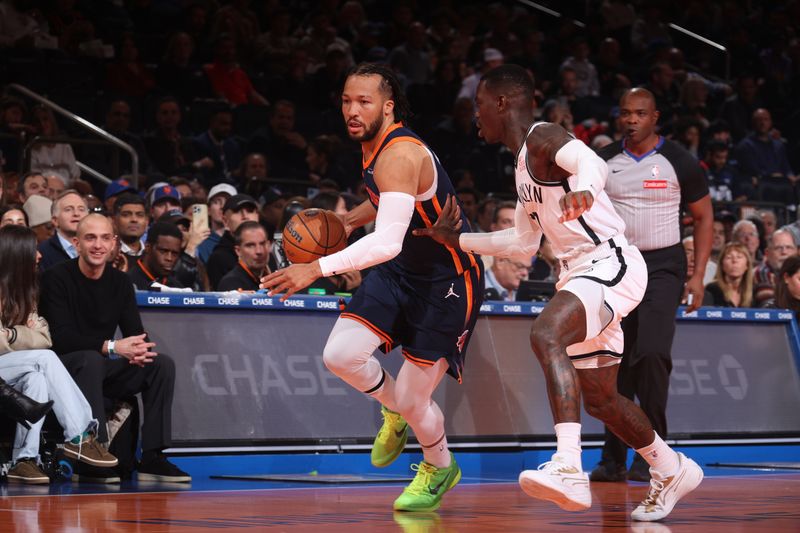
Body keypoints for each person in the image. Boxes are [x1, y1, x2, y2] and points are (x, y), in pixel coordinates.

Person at [415, 65, 702, 521]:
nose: (475, 115)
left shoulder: (543, 135)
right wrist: (459, 241)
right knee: (603, 400)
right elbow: (523, 243)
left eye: (480, 105)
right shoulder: (520, 167)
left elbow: (589, 163)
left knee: (547, 333)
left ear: (502, 102)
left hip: (611, 263)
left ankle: (569, 466)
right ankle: (670, 467)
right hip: (577, 274)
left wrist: (585, 190)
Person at [260, 63, 484, 512]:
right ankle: (395, 411)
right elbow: (386, 199)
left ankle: (440, 466)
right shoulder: (375, 146)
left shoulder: (400, 153)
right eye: (346, 100)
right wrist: (347, 219)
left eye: (363, 101)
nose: (352, 110)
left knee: (411, 394)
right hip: (403, 270)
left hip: (447, 282)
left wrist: (314, 268)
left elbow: (385, 241)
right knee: (340, 355)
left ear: (388, 106)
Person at [593, 87, 713, 484]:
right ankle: (612, 460)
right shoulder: (604, 160)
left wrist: (697, 276)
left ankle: (654, 451)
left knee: (652, 354)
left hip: (664, 266)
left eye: (640, 114)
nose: (631, 120)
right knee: (616, 362)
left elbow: (704, 217)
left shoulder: (680, 160)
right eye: (626, 113)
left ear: (655, 117)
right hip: (619, 266)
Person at [39, 214, 189, 483]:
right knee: (90, 359)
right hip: (64, 371)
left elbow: (135, 333)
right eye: (90, 238)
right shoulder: (55, 278)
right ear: (76, 243)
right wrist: (112, 346)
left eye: (105, 238)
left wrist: (140, 348)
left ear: (113, 244)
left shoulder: (120, 282)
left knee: (160, 365)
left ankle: (153, 457)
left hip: (100, 369)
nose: (98, 245)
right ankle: (91, 452)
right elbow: (59, 339)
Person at [0, 225, 118, 483]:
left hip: (12, 368)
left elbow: (44, 338)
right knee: (45, 360)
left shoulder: (25, 291)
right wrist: (19, 335)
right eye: (33, 251)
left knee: (38, 378)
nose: (39, 256)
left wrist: (10, 334)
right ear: (16, 254)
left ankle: (24, 459)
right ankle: (79, 436)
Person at [206, 193, 259, 289]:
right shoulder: (219, 258)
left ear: (257, 216)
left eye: (250, 211)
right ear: (225, 221)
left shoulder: (267, 254)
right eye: (237, 211)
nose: (245, 216)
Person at [38, 190, 89, 271]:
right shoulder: (42, 252)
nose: (76, 213)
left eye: (81, 209)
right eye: (68, 209)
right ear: (55, 220)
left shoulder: (97, 248)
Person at [127, 222, 184, 290]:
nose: (169, 258)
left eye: (175, 253)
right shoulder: (126, 283)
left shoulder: (178, 289)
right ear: (147, 247)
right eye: (163, 251)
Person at [218, 221, 271, 291]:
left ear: (269, 245)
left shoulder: (279, 279)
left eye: (262, 244)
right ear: (238, 251)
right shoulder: (230, 283)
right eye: (250, 246)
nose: (259, 251)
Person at [753, 229, 797, 307]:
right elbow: (770, 305)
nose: (784, 252)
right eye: (778, 248)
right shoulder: (761, 272)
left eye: (789, 247)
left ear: (796, 251)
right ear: (767, 253)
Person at [703, 242, 754, 307]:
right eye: (729, 257)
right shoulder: (712, 289)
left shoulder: (753, 291)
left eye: (739, 257)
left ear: (747, 265)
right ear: (722, 265)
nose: (734, 260)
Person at [113, 193, 148, 258]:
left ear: (147, 221)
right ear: (115, 220)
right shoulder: (107, 254)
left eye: (140, 215)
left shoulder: (152, 256)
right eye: (126, 215)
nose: (134, 219)